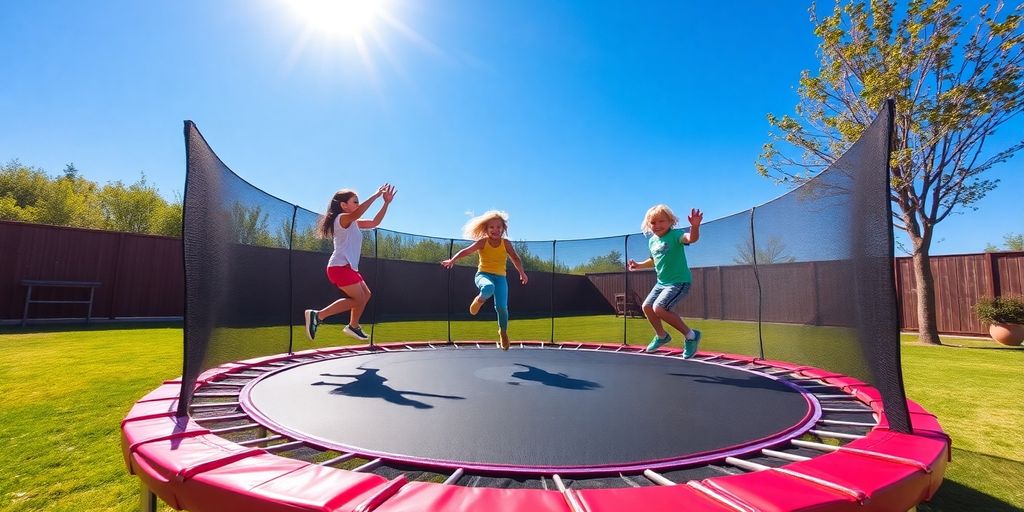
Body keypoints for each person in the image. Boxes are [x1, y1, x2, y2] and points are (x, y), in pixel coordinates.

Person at [304, 184, 396, 342]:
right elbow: (360, 212)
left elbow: (374, 222)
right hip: (339, 267)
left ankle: (353, 325)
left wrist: (386, 203)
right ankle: (318, 315)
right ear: (343, 205)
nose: (358, 204)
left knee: (366, 295)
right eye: (355, 201)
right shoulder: (341, 219)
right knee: (359, 299)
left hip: (349, 268)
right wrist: (375, 195)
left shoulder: (353, 222)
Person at [441, 210, 528, 350]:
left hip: (501, 278)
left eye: (498, 227)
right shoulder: (483, 242)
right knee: (488, 288)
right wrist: (453, 259)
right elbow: (467, 251)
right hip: (483, 275)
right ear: (486, 229)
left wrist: (522, 273)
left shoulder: (506, 244)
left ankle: (503, 333)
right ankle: (479, 300)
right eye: (491, 227)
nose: (495, 230)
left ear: (503, 229)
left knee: (502, 308)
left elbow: (515, 258)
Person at [628, 204, 703, 357]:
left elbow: (691, 238)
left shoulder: (676, 235)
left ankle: (691, 336)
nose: (657, 225)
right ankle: (662, 336)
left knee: (659, 308)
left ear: (671, 221)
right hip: (661, 283)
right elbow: (654, 259)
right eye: (653, 223)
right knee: (647, 307)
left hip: (679, 281)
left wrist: (694, 227)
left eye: (661, 221)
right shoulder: (652, 241)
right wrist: (638, 265)